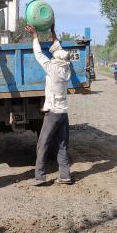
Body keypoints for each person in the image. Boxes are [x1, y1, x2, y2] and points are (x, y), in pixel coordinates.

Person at [25, 23, 72, 186]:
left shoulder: (52, 68)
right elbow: (57, 49)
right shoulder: (66, 69)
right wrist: (53, 32)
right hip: (63, 113)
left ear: (56, 60)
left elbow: (38, 54)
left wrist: (35, 36)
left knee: (43, 143)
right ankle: (65, 175)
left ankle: (40, 176)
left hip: (52, 113)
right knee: (62, 144)